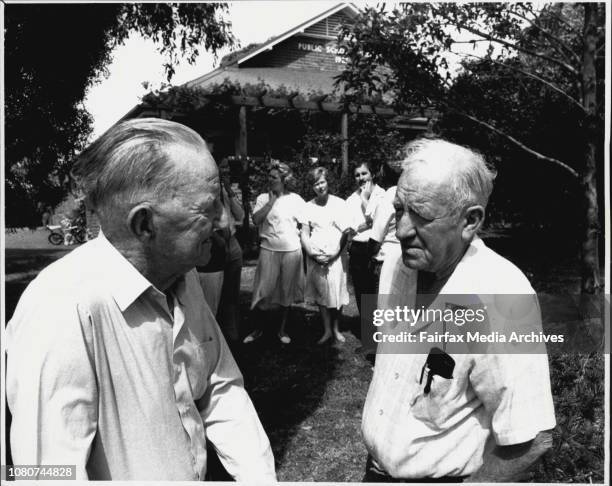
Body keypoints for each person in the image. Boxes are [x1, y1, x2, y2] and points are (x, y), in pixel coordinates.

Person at [5, 118, 276, 481]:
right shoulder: (61, 309)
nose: (224, 221)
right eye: (208, 208)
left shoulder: (182, 274)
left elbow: (219, 384)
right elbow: (45, 473)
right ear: (145, 225)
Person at [362, 138, 556, 482]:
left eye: (421, 215)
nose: (402, 230)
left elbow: (531, 438)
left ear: (470, 221)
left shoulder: (501, 296)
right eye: (398, 209)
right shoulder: (397, 262)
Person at [243, 161, 307, 345]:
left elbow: (306, 223)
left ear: (284, 180)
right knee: (263, 291)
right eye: (269, 177)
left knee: (286, 292)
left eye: (274, 178)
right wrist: (271, 203)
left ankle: (282, 330)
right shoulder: (263, 198)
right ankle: (258, 329)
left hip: (291, 251)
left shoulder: (295, 199)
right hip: (268, 250)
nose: (269, 180)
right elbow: (256, 220)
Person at [301, 167, 351, 344]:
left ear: (328, 182)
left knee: (337, 289)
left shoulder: (339, 203)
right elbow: (305, 234)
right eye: (316, 184)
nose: (320, 186)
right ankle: (327, 330)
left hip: (336, 254)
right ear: (312, 187)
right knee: (321, 293)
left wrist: (335, 254)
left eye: (322, 182)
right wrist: (313, 255)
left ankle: (337, 329)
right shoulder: (307, 207)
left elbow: (346, 233)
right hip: (316, 255)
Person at [345, 162, 386, 314]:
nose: (361, 178)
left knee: (376, 293)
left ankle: (379, 330)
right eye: (357, 175)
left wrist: (364, 199)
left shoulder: (382, 195)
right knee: (361, 292)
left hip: (376, 247)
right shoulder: (350, 200)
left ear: (372, 174)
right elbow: (350, 230)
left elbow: (379, 223)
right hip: (357, 248)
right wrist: (368, 223)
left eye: (364, 173)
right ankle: (366, 329)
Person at [216, 157, 245, 343]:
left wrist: (228, 190)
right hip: (214, 242)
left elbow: (241, 215)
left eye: (227, 167)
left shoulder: (228, 191)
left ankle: (231, 331)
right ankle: (215, 332)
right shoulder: (205, 189)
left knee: (232, 290)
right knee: (215, 289)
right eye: (222, 166)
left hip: (232, 242)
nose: (226, 170)